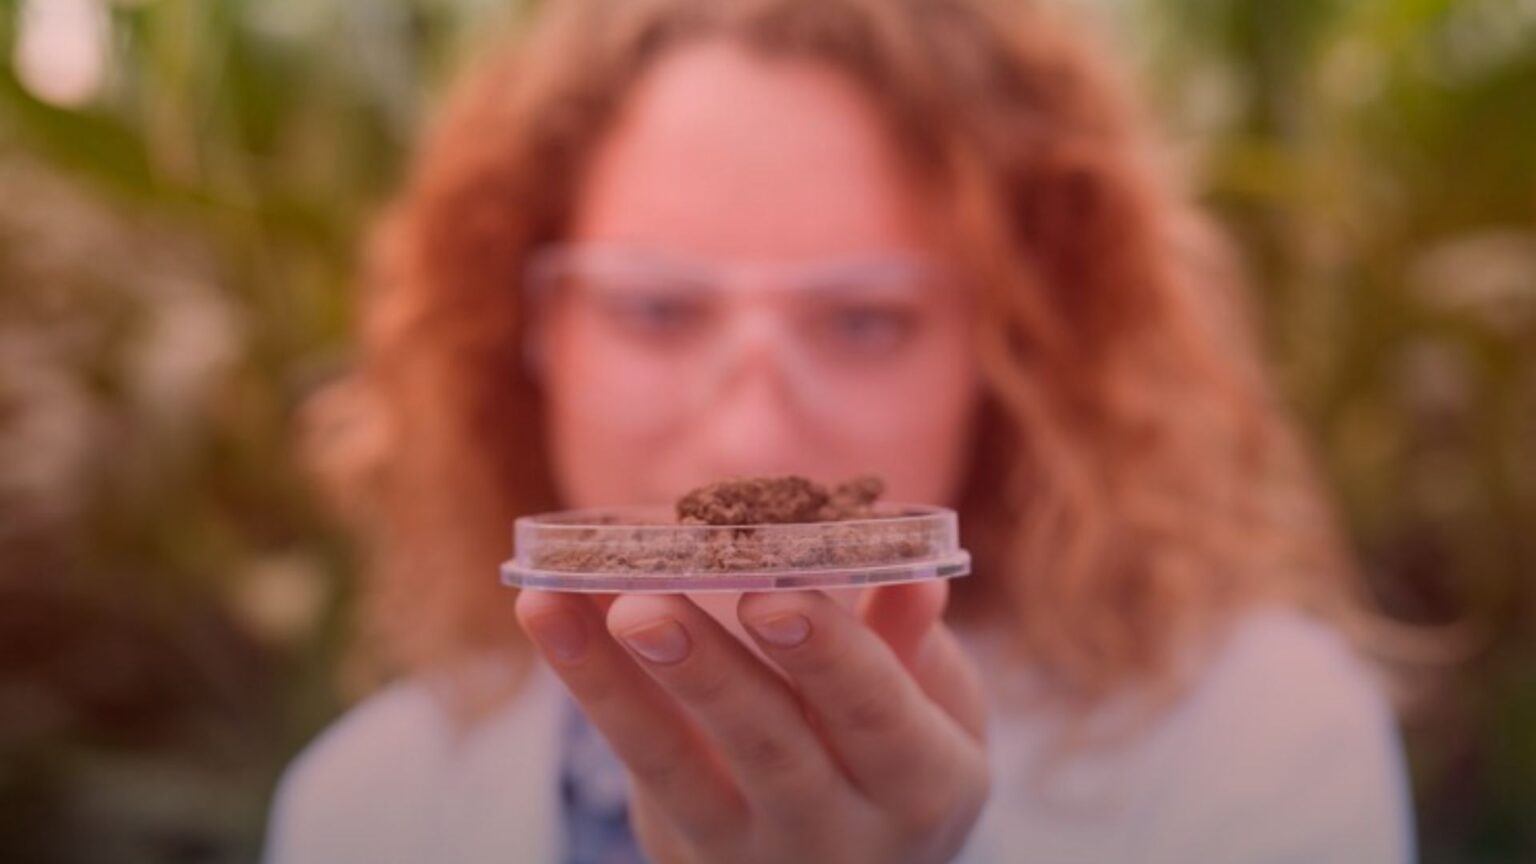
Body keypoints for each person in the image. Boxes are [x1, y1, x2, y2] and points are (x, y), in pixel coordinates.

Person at [263, 0, 1414, 861]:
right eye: (656, 309)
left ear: (1008, 355)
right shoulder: (360, 810)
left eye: (865, 320)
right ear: (530, 331)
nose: (754, 435)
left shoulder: (1265, 741)